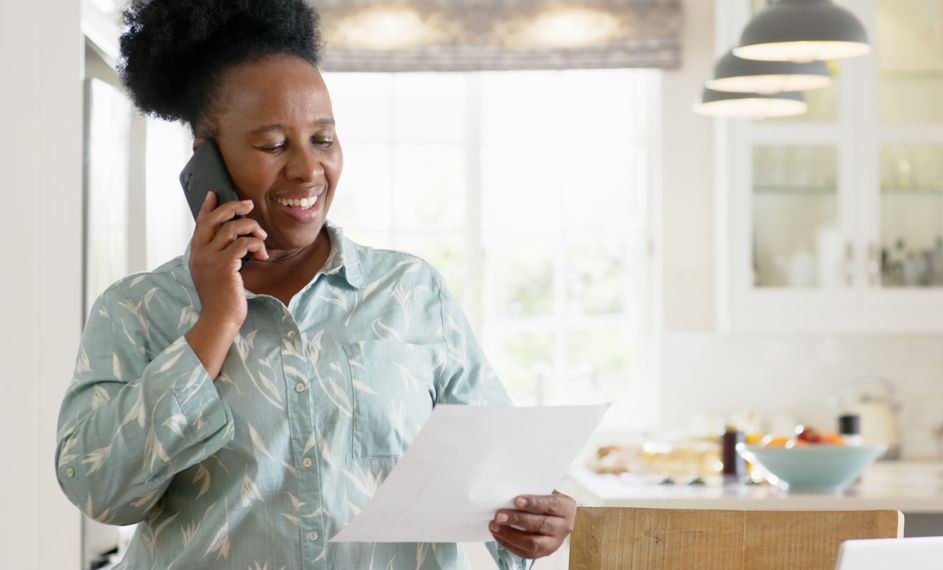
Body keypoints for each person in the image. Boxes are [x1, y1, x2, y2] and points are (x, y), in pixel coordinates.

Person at [54, 0, 576, 567]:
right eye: (274, 145)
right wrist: (215, 324)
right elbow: (99, 490)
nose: (307, 170)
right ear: (206, 160)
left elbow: (497, 487)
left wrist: (532, 523)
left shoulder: (411, 292)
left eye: (322, 140)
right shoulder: (136, 310)